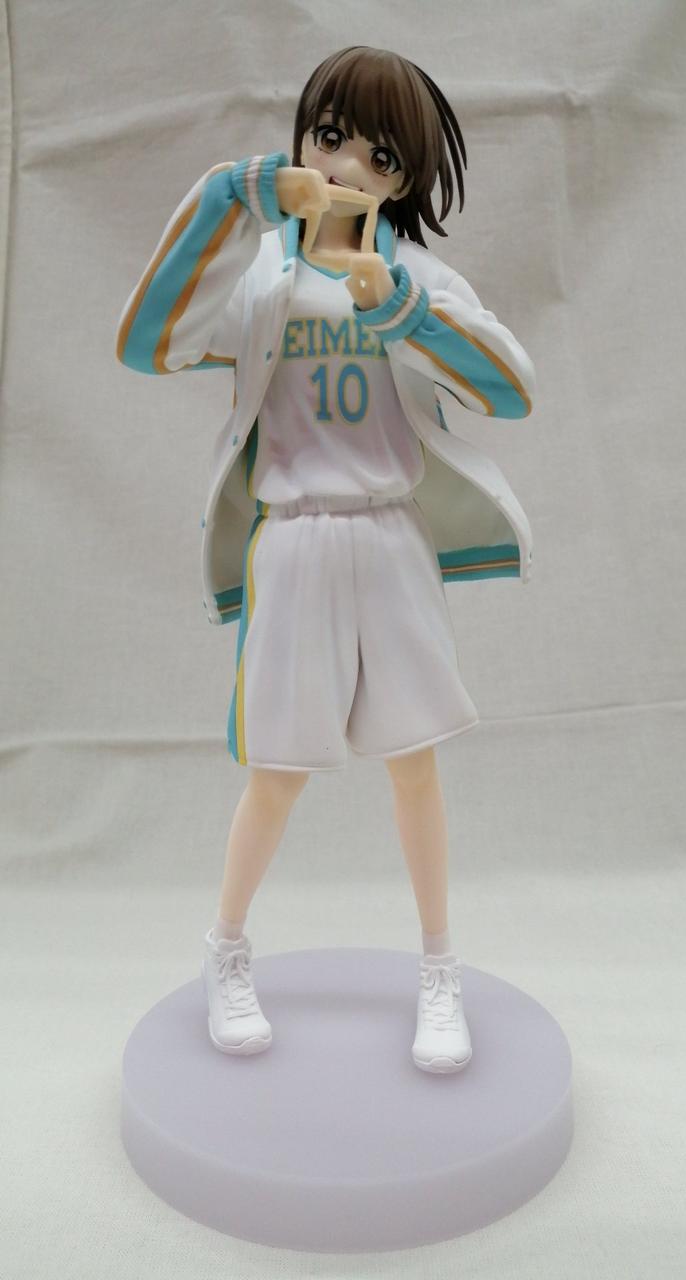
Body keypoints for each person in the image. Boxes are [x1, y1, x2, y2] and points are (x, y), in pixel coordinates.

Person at [116, 45, 536, 1074]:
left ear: (406, 177)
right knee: (276, 773)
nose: (346, 166)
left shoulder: (416, 276)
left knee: (415, 767)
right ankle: (225, 949)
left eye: (378, 155)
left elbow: (511, 387)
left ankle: (439, 966)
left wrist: (400, 306)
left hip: (389, 534)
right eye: (331, 136)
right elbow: (148, 341)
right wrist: (233, 196)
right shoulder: (263, 280)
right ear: (301, 136)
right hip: (295, 537)